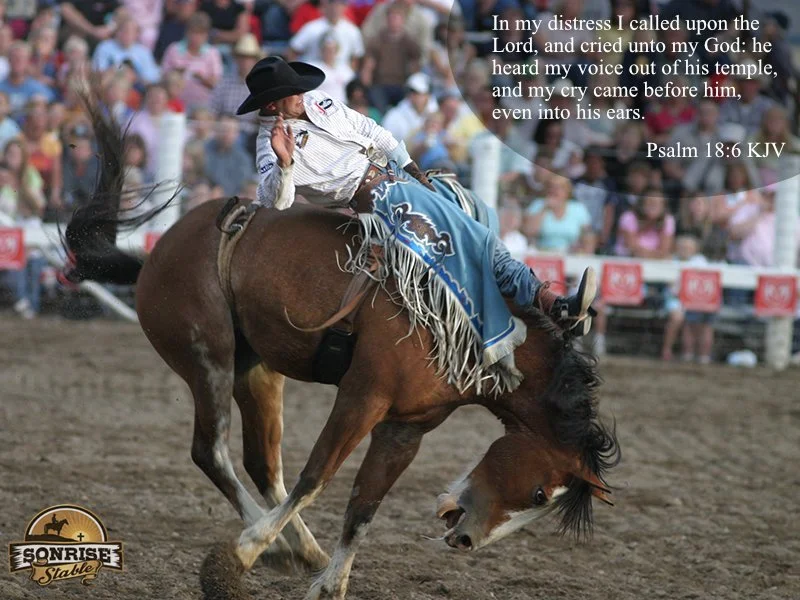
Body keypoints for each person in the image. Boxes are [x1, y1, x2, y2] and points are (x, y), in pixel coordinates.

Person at [238, 56, 597, 334]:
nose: (301, 96)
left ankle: (532, 308)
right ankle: (550, 304)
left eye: (299, 90)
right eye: (292, 94)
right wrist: (286, 164)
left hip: (395, 178)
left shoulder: (319, 102)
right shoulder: (270, 148)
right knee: (466, 233)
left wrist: (412, 170)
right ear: (272, 105)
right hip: (373, 200)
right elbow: (274, 203)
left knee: (472, 208)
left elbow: (371, 129)